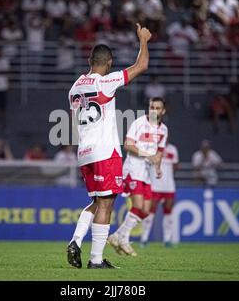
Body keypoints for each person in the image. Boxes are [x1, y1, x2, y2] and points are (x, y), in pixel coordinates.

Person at [66, 23, 152, 269]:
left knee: (96, 202)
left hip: (84, 153)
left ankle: (76, 241)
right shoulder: (106, 82)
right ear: (109, 62)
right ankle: (95, 260)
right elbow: (141, 66)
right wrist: (143, 40)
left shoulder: (74, 88)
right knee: (107, 203)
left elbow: (74, 121)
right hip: (105, 151)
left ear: (90, 60)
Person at [107, 97, 168, 257]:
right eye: (152, 107)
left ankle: (116, 236)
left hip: (147, 172)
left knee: (146, 211)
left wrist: (158, 167)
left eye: (157, 108)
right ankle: (124, 239)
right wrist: (149, 155)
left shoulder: (163, 130)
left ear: (163, 111)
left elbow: (160, 151)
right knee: (139, 205)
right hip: (133, 168)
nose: (154, 110)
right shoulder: (138, 123)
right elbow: (128, 145)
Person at [140, 141, 179, 248]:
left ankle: (167, 240)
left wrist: (168, 175)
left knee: (168, 213)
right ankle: (144, 239)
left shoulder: (172, 149)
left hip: (169, 187)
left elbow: (175, 165)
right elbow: (145, 164)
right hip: (155, 186)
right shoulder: (152, 148)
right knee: (150, 214)